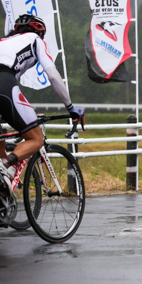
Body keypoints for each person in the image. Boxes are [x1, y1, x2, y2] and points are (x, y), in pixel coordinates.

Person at [0, 15, 85, 190]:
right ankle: (5, 165)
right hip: (3, 83)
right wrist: (70, 107)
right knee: (36, 139)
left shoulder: (3, 42)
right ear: (39, 32)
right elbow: (53, 76)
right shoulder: (35, 40)